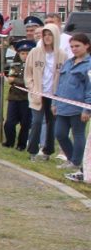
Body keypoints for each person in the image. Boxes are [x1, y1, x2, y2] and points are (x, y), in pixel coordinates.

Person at [51, 32, 91, 174]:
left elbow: (89, 88)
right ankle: (71, 158)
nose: (74, 49)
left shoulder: (89, 65)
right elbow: (60, 83)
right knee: (60, 133)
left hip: (79, 107)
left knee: (78, 134)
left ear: (86, 46)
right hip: (63, 105)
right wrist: (54, 102)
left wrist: (87, 109)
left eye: (77, 46)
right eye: (72, 46)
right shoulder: (68, 62)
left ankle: (76, 162)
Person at [25, 23, 65, 161]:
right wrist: (32, 87)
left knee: (51, 123)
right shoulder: (34, 52)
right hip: (38, 94)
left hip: (53, 95)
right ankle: (32, 150)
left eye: (50, 35)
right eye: (45, 34)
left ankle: (47, 150)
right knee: (36, 121)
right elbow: (28, 73)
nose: (47, 38)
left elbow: (64, 76)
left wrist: (59, 94)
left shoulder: (62, 55)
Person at [2, 40, 34, 150]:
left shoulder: (34, 67)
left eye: (27, 53)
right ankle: (9, 141)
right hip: (14, 97)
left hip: (26, 99)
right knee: (9, 123)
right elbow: (10, 79)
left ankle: (21, 144)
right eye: (22, 53)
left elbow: (29, 82)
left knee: (25, 124)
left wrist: (15, 80)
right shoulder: (15, 65)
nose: (25, 56)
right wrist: (15, 80)